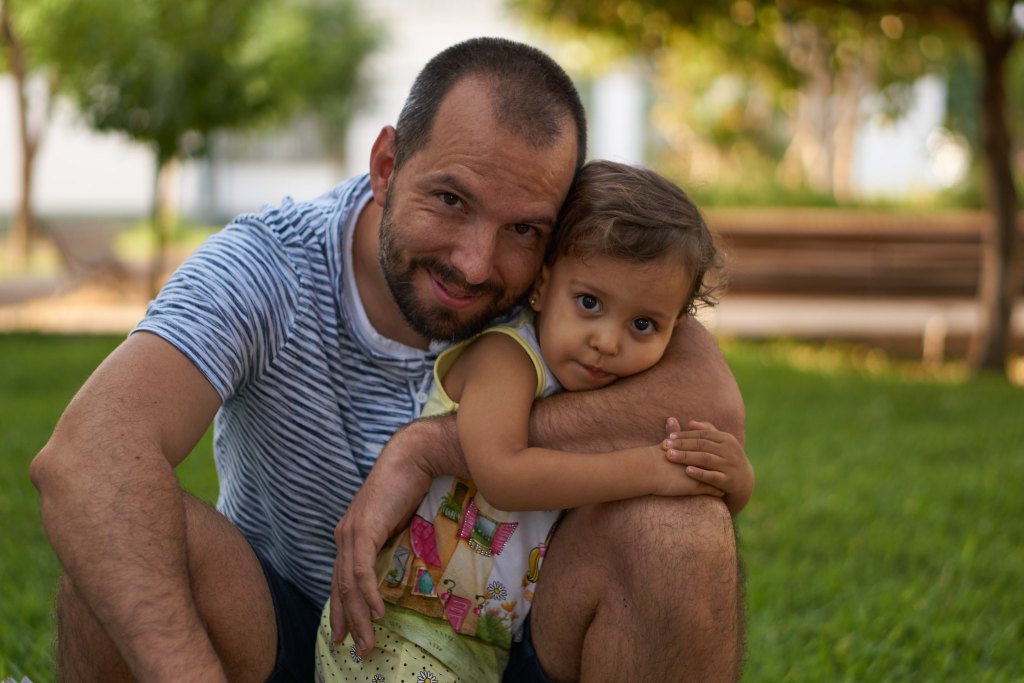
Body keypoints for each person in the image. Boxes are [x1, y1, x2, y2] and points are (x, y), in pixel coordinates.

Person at [30, 37, 745, 683]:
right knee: (133, 534)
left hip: (498, 646)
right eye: (450, 198)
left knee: (678, 531)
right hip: (283, 632)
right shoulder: (268, 266)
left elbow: (712, 404)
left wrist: (434, 446)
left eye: (523, 227)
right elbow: (88, 455)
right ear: (385, 165)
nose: (476, 261)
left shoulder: (564, 281)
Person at [315, 159, 754, 682]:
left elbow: (709, 505)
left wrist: (734, 478)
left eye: (643, 324)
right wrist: (655, 469)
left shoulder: (610, 383)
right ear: (543, 286)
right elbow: (503, 473)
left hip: (481, 647)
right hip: (399, 634)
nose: (609, 342)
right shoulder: (508, 357)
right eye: (588, 302)